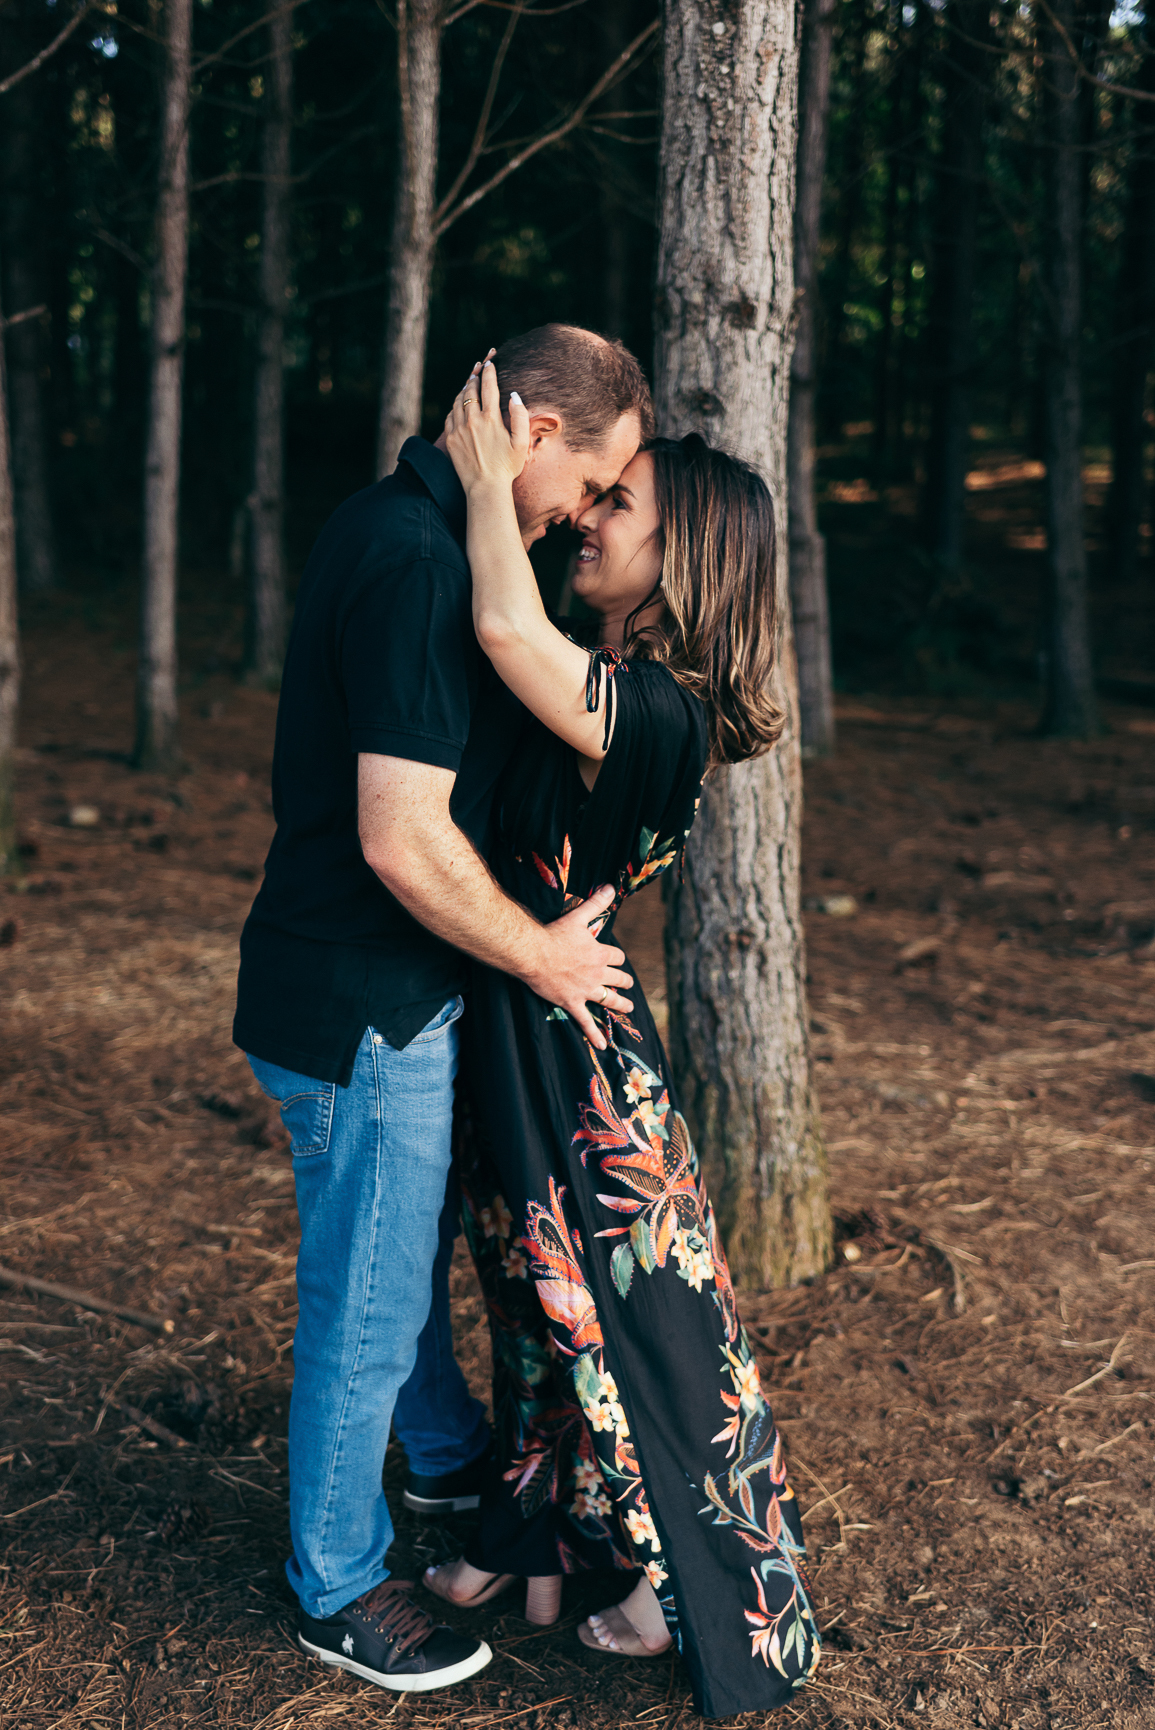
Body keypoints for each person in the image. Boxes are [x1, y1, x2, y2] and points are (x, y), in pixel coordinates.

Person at [232, 326, 653, 1693]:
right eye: (592, 484)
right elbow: (402, 836)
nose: (587, 516)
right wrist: (537, 954)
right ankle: (341, 1577)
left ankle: (451, 1456)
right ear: (534, 432)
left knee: (389, 1264)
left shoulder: (405, 523)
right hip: (368, 1000)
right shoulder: (418, 562)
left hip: (344, 985)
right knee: (365, 1294)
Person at [422, 359, 822, 1719]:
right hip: (534, 1017)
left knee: (643, 1325)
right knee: (541, 1311)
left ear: (681, 556)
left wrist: (487, 486)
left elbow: (496, 619)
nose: (588, 513)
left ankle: (695, 1596)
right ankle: (533, 1535)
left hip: (575, 1050)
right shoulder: (616, 682)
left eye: (621, 505)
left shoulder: (656, 714)